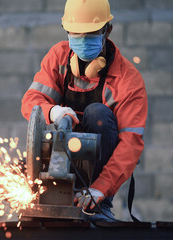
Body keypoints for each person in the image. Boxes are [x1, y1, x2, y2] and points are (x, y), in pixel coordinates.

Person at [21, 0, 148, 222]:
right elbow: (31, 101)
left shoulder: (129, 81)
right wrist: (53, 112)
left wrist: (101, 188)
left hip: (99, 173)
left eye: (89, 34)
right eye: (75, 34)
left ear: (107, 31)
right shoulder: (59, 57)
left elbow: (130, 144)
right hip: (60, 158)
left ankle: (98, 205)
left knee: (97, 114)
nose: (81, 40)